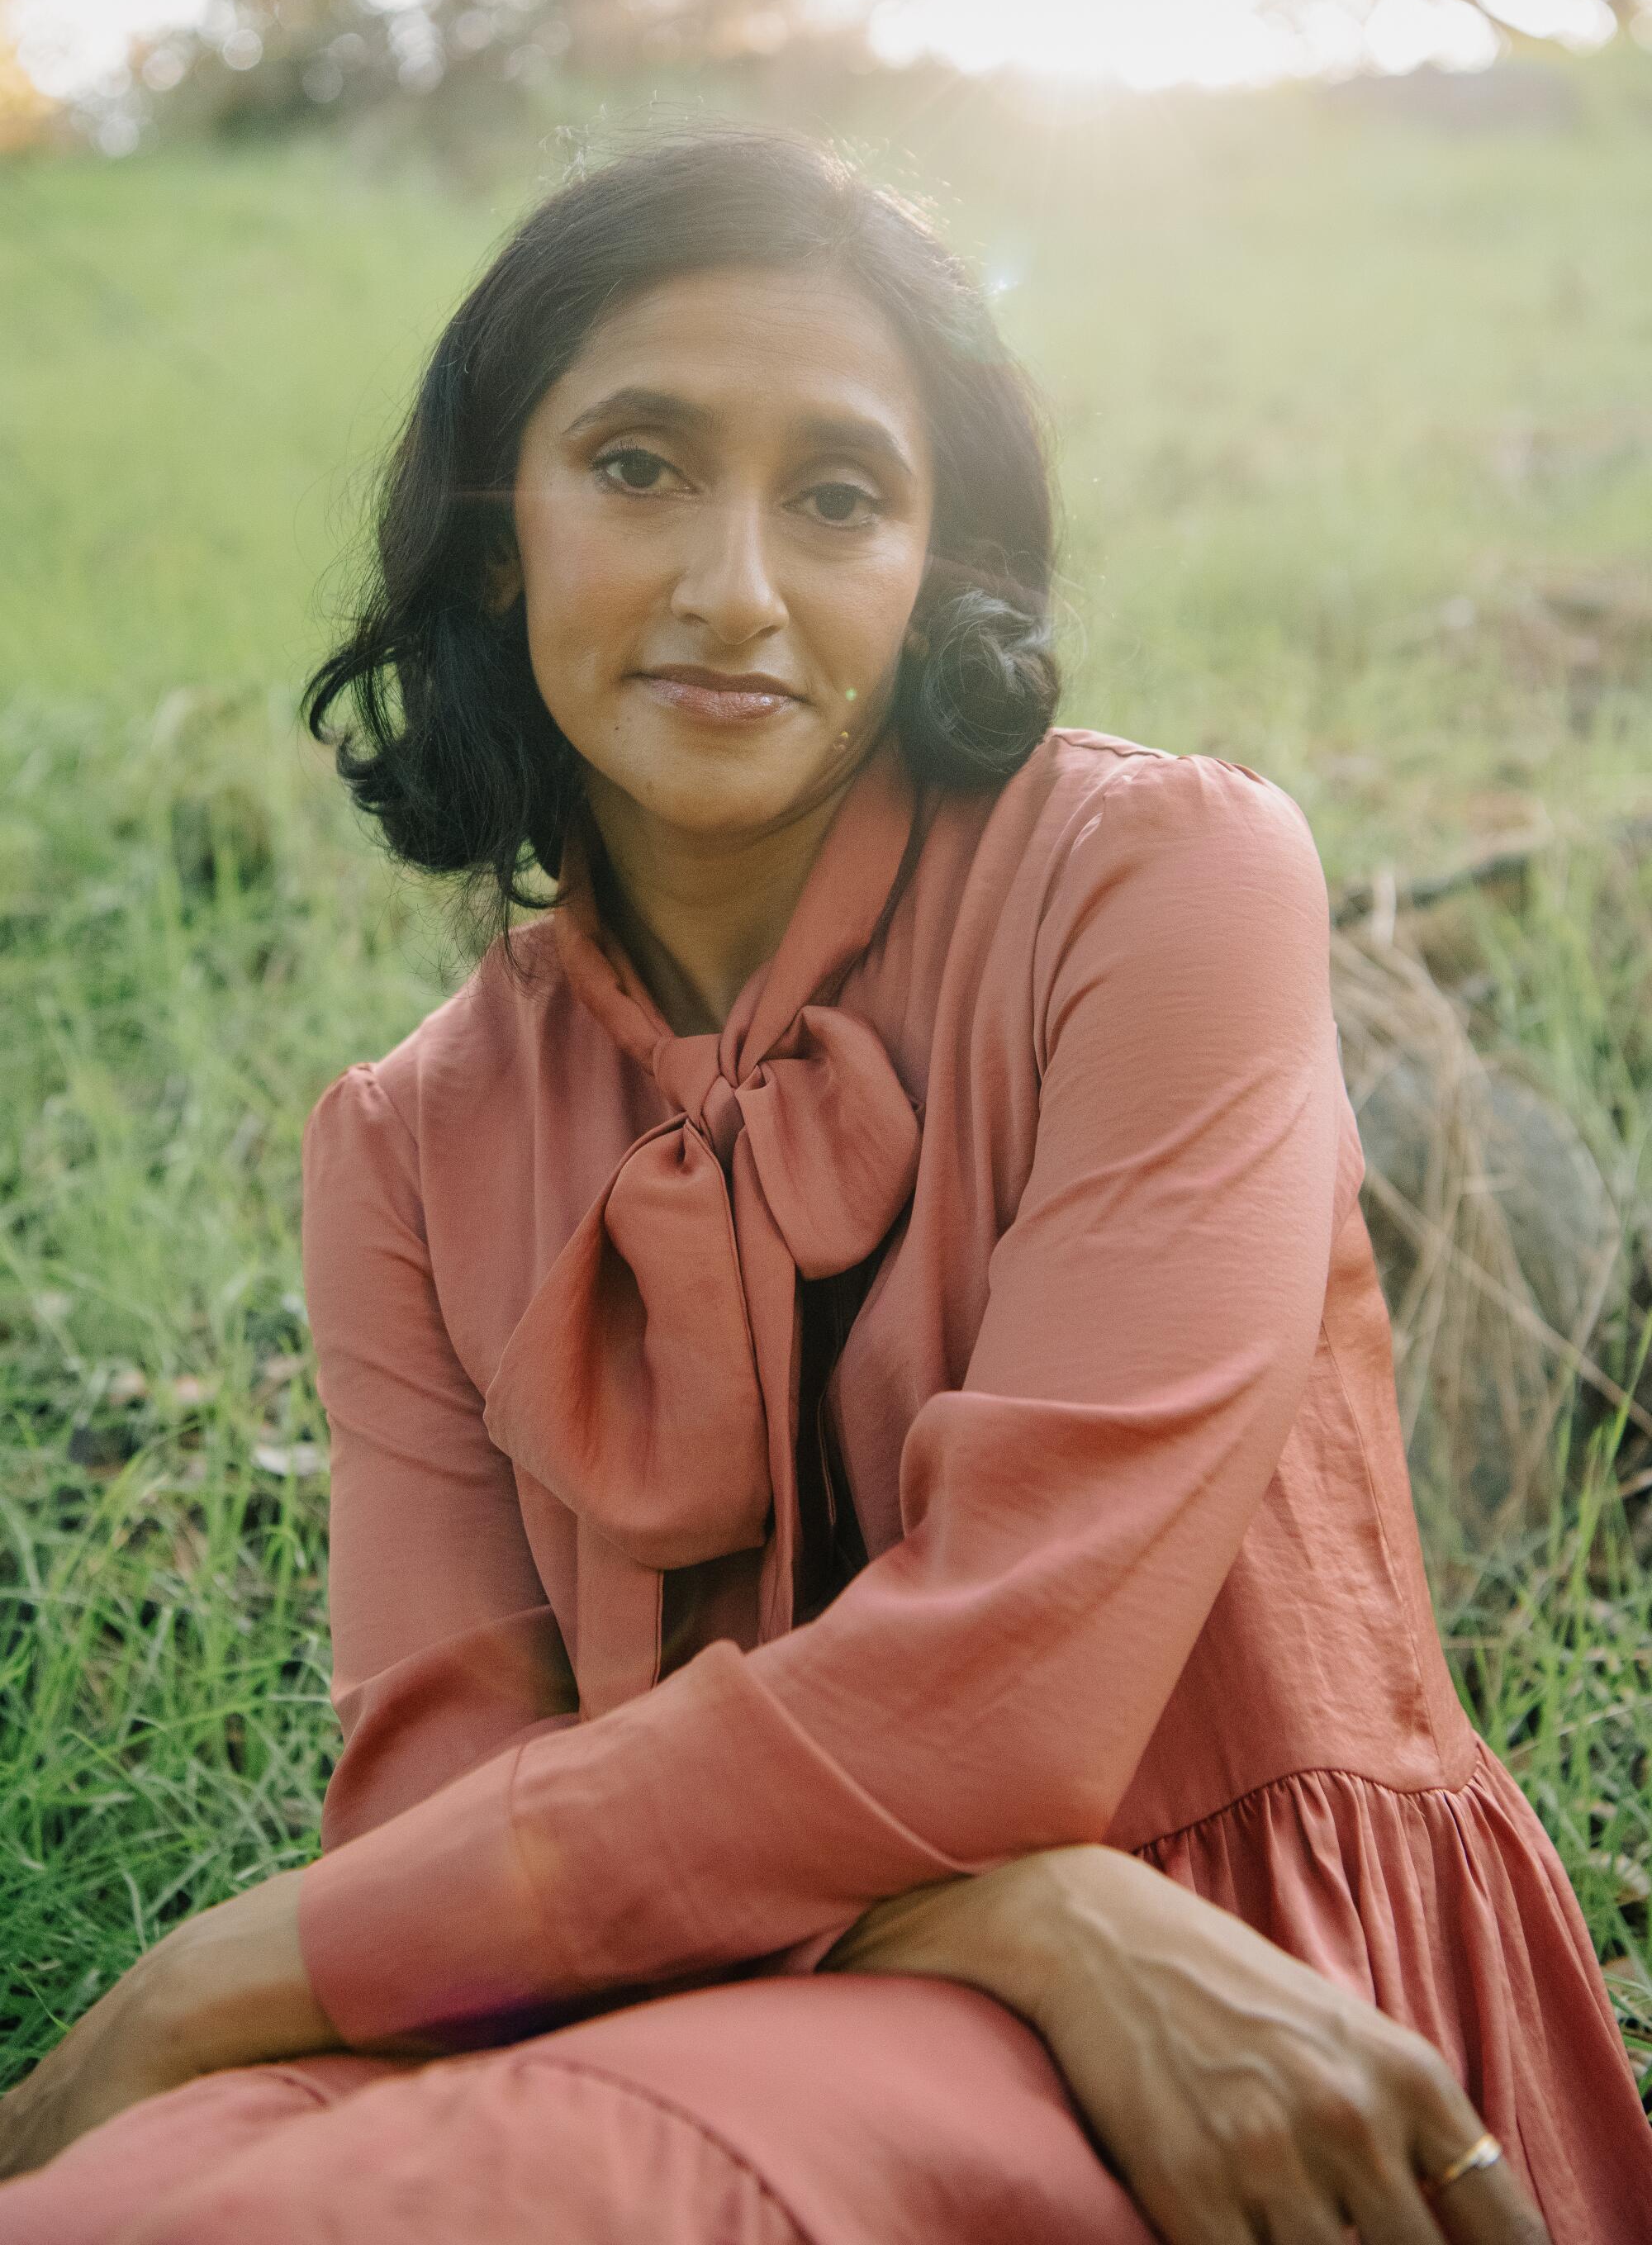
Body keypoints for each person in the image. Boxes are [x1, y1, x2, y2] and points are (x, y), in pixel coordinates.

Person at [2, 131, 1647, 2245]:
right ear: (499, 532)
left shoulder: (1159, 887)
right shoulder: (407, 1143)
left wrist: (216, 1968)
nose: (735, 589)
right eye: (638, 466)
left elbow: (1008, 1690)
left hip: (1238, 2018)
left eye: (840, 497)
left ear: (935, 564)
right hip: (722, 1978)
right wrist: (1007, 1921)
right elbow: (440, 1816)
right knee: (170, 2169)